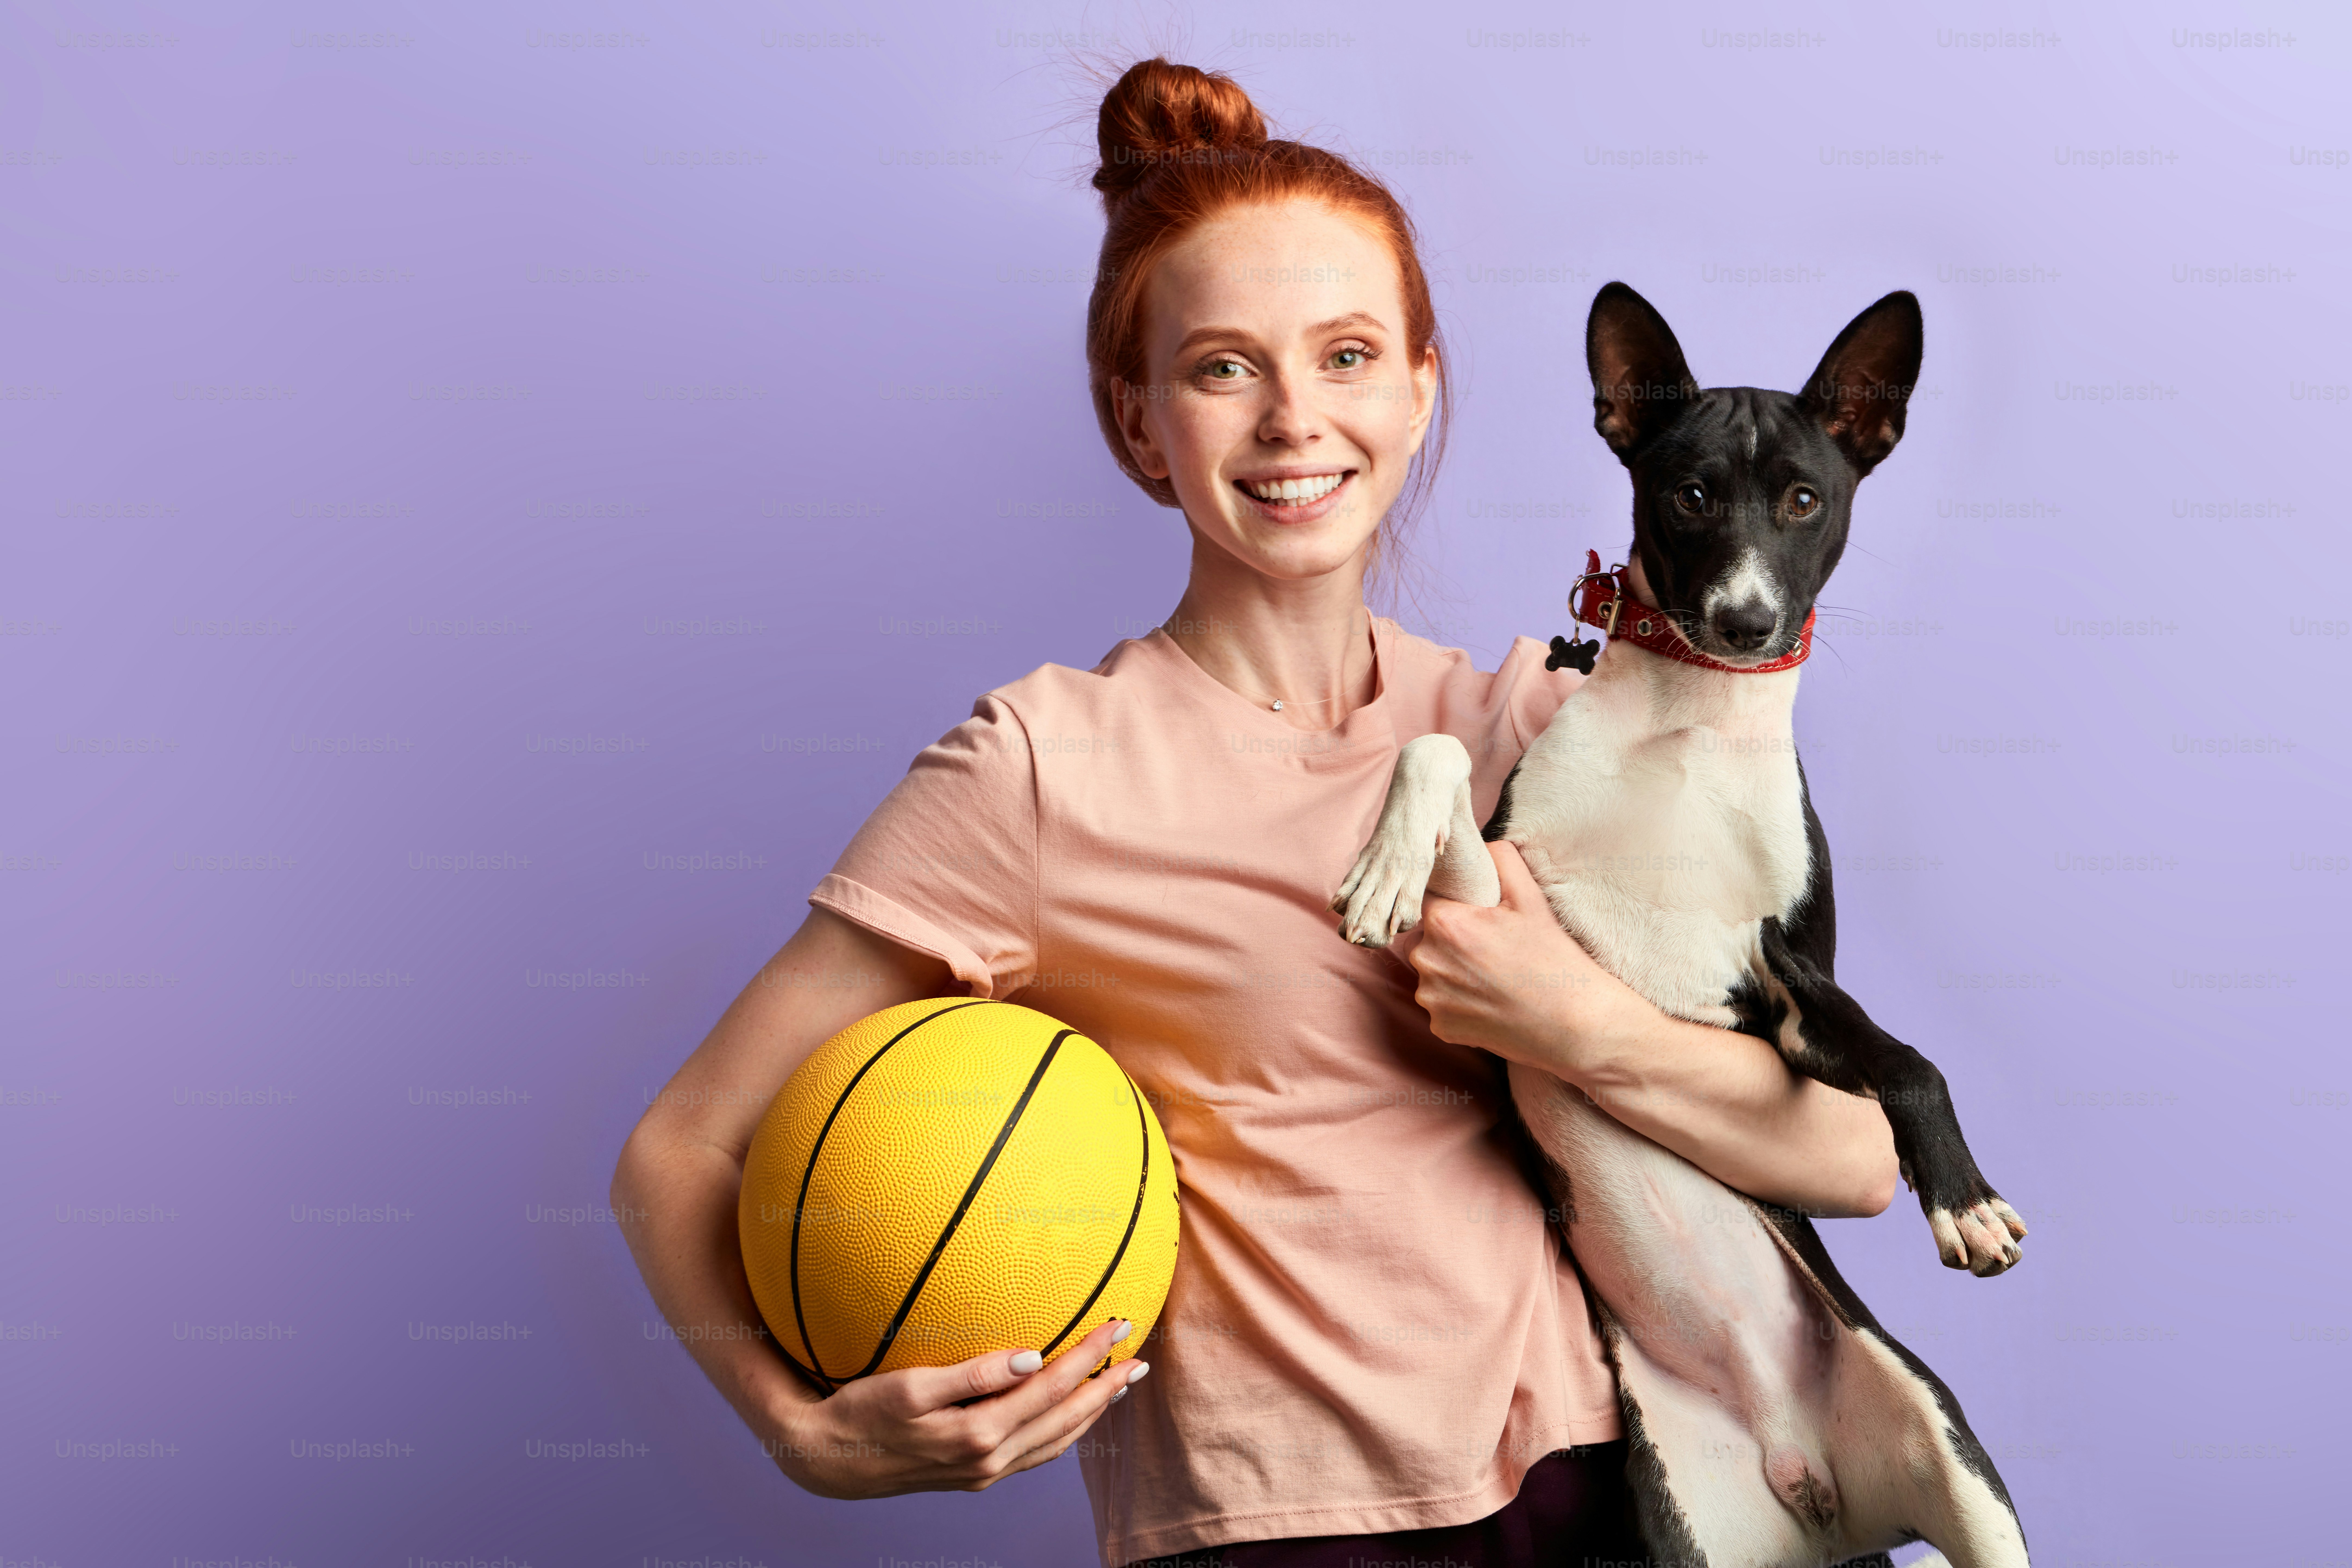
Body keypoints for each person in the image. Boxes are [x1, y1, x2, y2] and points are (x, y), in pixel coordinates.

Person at [613, 58, 1897, 1568]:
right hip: (1293, 1534)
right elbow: (682, 1148)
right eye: (1223, 367)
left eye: (1346, 355)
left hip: (1656, 1492)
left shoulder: (1539, 730)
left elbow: (1857, 1159)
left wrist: (1571, 1024)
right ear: (1140, 423)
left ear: (1420, 391)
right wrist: (807, 1436)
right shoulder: (1042, 767)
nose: (1294, 418)